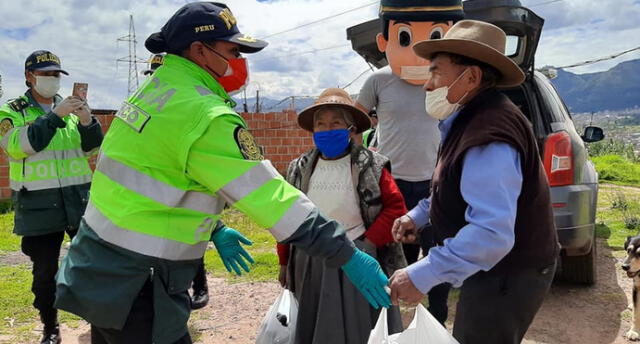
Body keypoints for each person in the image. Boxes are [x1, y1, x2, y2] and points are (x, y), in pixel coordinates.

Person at [54, 3, 390, 344]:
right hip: (140, 282)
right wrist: (345, 253)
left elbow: (156, 177)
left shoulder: (153, 92)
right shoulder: (206, 115)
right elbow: (272, 198)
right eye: (233, 51)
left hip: (99, 264)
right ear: (200, 51)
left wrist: (213, 227)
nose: (239, 62)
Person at [389, 20, 559, 344]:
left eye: (436, 72)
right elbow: (450, 189)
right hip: (497, 267)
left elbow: (490, 233)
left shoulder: (489, 134)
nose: (428, 85)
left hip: (509, 271)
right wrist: (417, 216)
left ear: (471, 77)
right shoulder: (466, 121)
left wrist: (421, 273)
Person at [355, 0, 463, 325]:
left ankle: (436, 325)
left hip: (437, 188)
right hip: (392, 187)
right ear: (384, 42)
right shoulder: (379, 81)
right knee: (395, 264)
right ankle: (391, 328)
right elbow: (355, 123)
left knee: (438, 264)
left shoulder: (450, 81)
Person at [276, 88, 406, 343]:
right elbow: (285, 217)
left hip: (357, 254)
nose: (327, 129)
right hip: (310, 258)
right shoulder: (298, 169)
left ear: (350, 129)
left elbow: (395, 208)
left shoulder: (370, 164)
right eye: (320, 124)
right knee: (315, 323)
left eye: (336, 122)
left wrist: (367, 245)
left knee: (361, 324)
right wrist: (284, 262)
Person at [0, 50, 103, 344]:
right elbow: (20, 146)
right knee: (45, 272)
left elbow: (91, 150)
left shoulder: (69, 109)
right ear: (29, 77)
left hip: (77, 201)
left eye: (56, 75)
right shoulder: (12, 111)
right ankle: (50, 326)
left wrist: (86, 121)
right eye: (45, 74)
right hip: (38, 204)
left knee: (92, 264)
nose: (52, 80)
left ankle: (100, 321)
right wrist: (54, 117)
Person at [141, 52, 212, 311]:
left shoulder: (190, 104)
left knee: (191, 236)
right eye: (153, 75)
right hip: (155, 185)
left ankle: (200, 285)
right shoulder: (144, 106)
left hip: (187, 182)